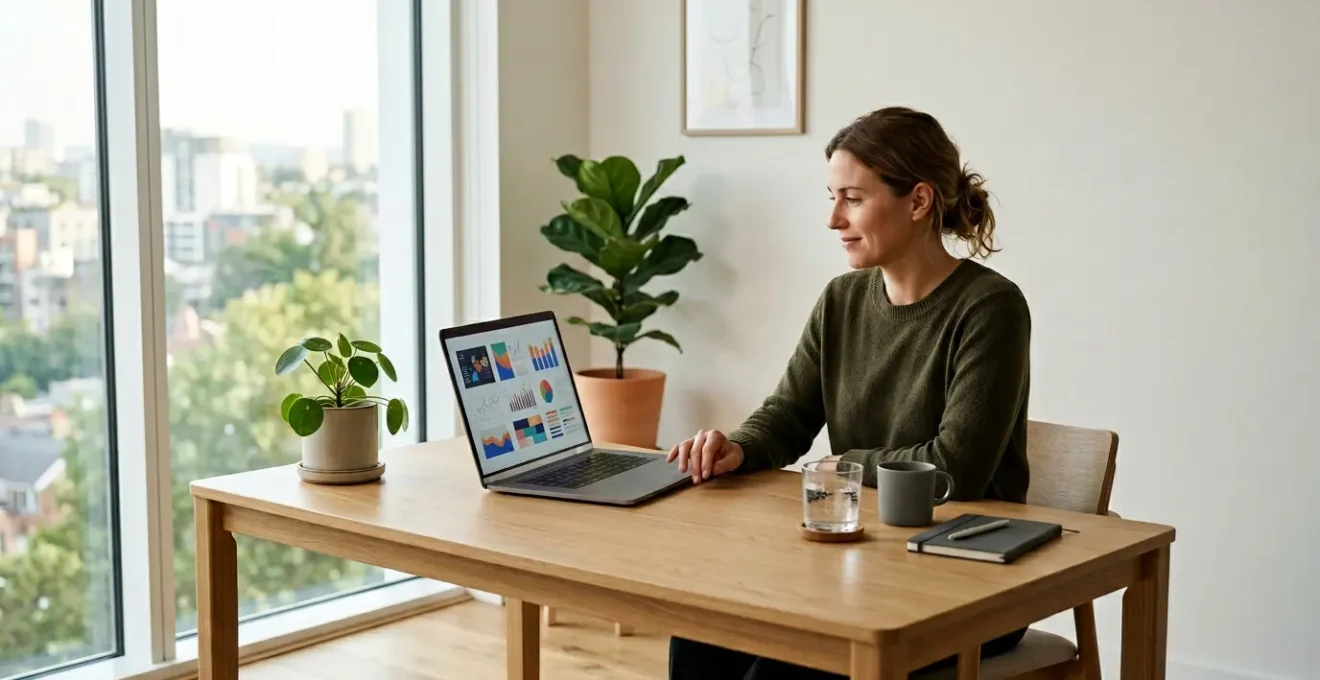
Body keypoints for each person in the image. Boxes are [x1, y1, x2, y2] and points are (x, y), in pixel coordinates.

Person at [665, 106, 1033, 679]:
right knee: (702, 635)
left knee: (782, 671)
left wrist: (845, 466)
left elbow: (955, 466)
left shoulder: (989, 308)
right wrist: (739, 447)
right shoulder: (841, 299)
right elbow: (788, 414)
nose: (834, 218)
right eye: (831, 196)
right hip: (859, 565)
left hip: (968, 579)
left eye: (853, 198)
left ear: (918, 201)